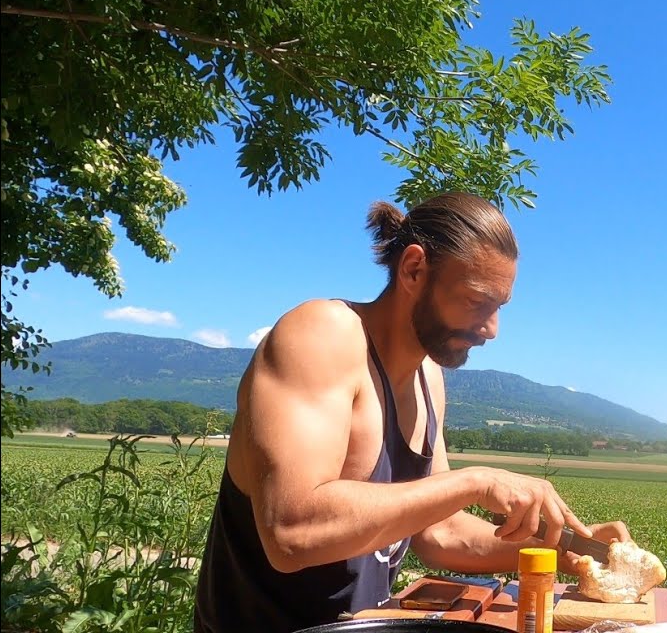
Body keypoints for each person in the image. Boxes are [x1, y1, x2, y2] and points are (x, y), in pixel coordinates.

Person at [194, 192, 629, 632]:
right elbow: (291, 532)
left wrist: (561, 551)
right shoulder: (322, 336)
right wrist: (476, 481)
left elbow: (440, 534)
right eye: (477, 301)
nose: (492, 329)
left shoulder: (428, 378)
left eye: (499, 308)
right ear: (414, 269)